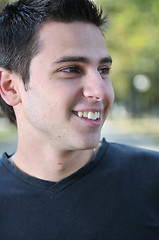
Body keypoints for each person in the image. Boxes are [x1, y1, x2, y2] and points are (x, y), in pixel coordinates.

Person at [0, 0, 159, 239]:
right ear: (10, 87)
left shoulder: (152, 180)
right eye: (71, 69)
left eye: (103, 70)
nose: (100, 91)